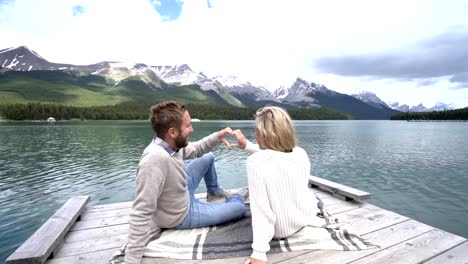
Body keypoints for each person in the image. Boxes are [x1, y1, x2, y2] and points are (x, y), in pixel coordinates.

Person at [124, 101, 248, 264]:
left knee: (207, 156)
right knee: (239, 208)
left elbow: (196, 149)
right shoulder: (153, 162)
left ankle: (214, 192)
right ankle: (235, 197)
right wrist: (131, 260)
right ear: (173, 132)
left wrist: (217, 137)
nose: (192, 129)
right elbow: (141, 211)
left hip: (180, 192)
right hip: (180, 215)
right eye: (188, 125)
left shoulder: (170, 145)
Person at [231, 106, 324, 264]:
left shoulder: (255, 162)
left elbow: (261, 211)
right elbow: (275, 156)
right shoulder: (300, 153)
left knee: (245, 197)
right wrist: (246, 145)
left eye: (257, 131)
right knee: (311, 196)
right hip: (304, 215)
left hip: (281, 229)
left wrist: (259, 252)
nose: (255, 135)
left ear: (266, 134)